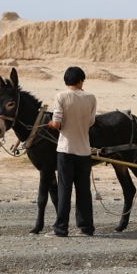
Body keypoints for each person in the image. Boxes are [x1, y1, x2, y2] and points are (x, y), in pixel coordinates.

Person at [45, 66, 97, 237]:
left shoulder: (61, 96)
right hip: (84, 151)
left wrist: (51, 124)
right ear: (81, 80)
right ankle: (86, 228)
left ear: (66, 81)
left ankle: (61, 228)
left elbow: (57, 124)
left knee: (64, 190)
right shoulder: (91, 97)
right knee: (84, 191)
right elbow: (90, 122)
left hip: (66, 151)